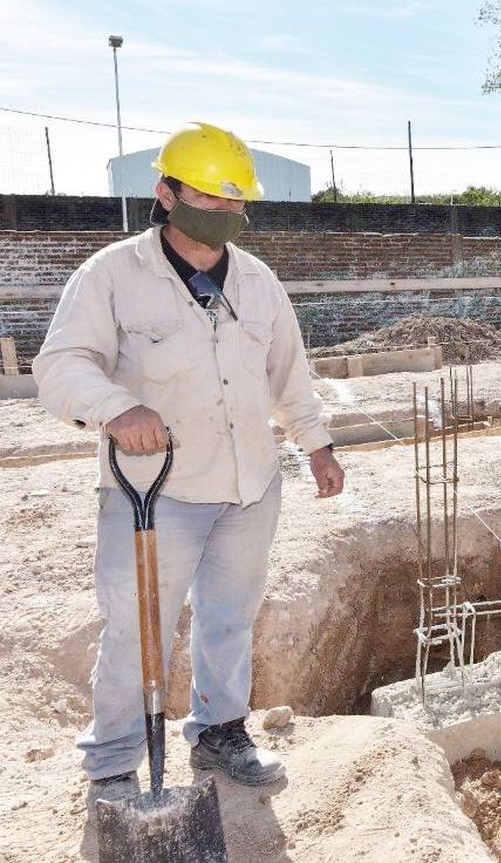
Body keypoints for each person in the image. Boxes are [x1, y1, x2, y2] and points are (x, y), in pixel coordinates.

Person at [33, 122, 344, 815]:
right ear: (166, 194)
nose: (226, 215)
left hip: (249, 485)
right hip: (155, 491)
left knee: (230, 617)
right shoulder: (113, 276)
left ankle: (220, 732)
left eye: (236, 204)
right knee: (137, 626)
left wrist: (317, 443)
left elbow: (289, 373)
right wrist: (115, 408)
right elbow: (58, 365)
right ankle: (115, 764)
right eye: (209, 198)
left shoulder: (258, 282)